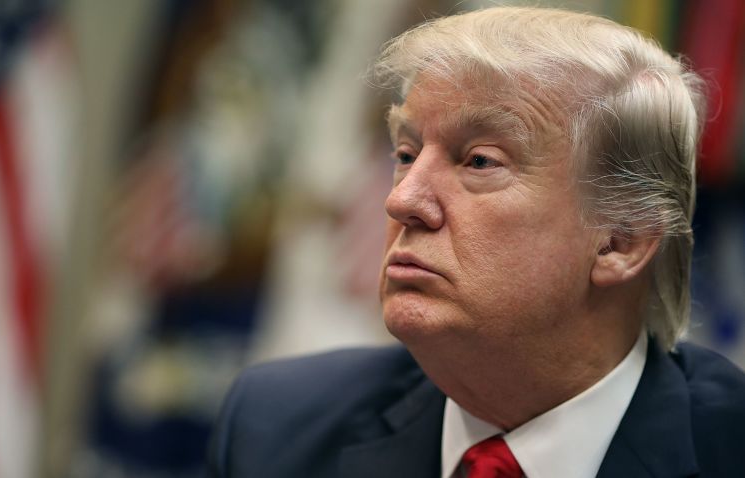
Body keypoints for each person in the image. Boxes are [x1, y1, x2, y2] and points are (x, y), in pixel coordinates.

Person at [206, 6, 745, 478]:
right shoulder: (273, 430)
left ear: (621, 240)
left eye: (480, 161)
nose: (402, 201)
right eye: (406, 155)